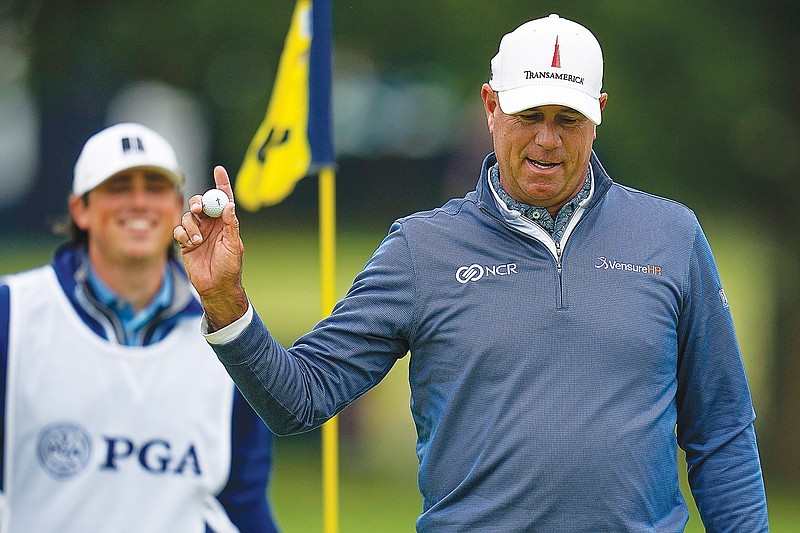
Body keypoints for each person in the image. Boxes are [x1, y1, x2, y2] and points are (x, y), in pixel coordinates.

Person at [174, 14, 769, 532]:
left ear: (599, 116)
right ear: (490, 107)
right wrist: (226, 301)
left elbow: (721, 434)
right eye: (528, 114)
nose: (546, 139)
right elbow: (298, 399)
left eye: (568, 119)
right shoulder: (422, 250)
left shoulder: (671, 235)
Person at [0, 122, 280, 532]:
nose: (139, 202)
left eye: (155, 187)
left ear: (177, 204)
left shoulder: (228, 331)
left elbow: (244, 502)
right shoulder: (13, 313)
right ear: (81, 209)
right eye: (118, 187)